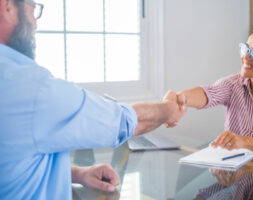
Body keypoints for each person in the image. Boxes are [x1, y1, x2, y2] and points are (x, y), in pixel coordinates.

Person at [0, 0, 186, 199]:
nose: (36, 23)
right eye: (33, 9)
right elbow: (126, 121)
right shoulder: (32, 88)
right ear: (8, 6)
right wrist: (170, 109)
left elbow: (11, 158)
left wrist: (75, 173)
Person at [177, 23, 253, 157]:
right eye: (245, 49)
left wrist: (245, 141)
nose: (245, 57)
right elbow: (208, 94)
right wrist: (181, 98)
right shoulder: (233, 84)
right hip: (234, 173)